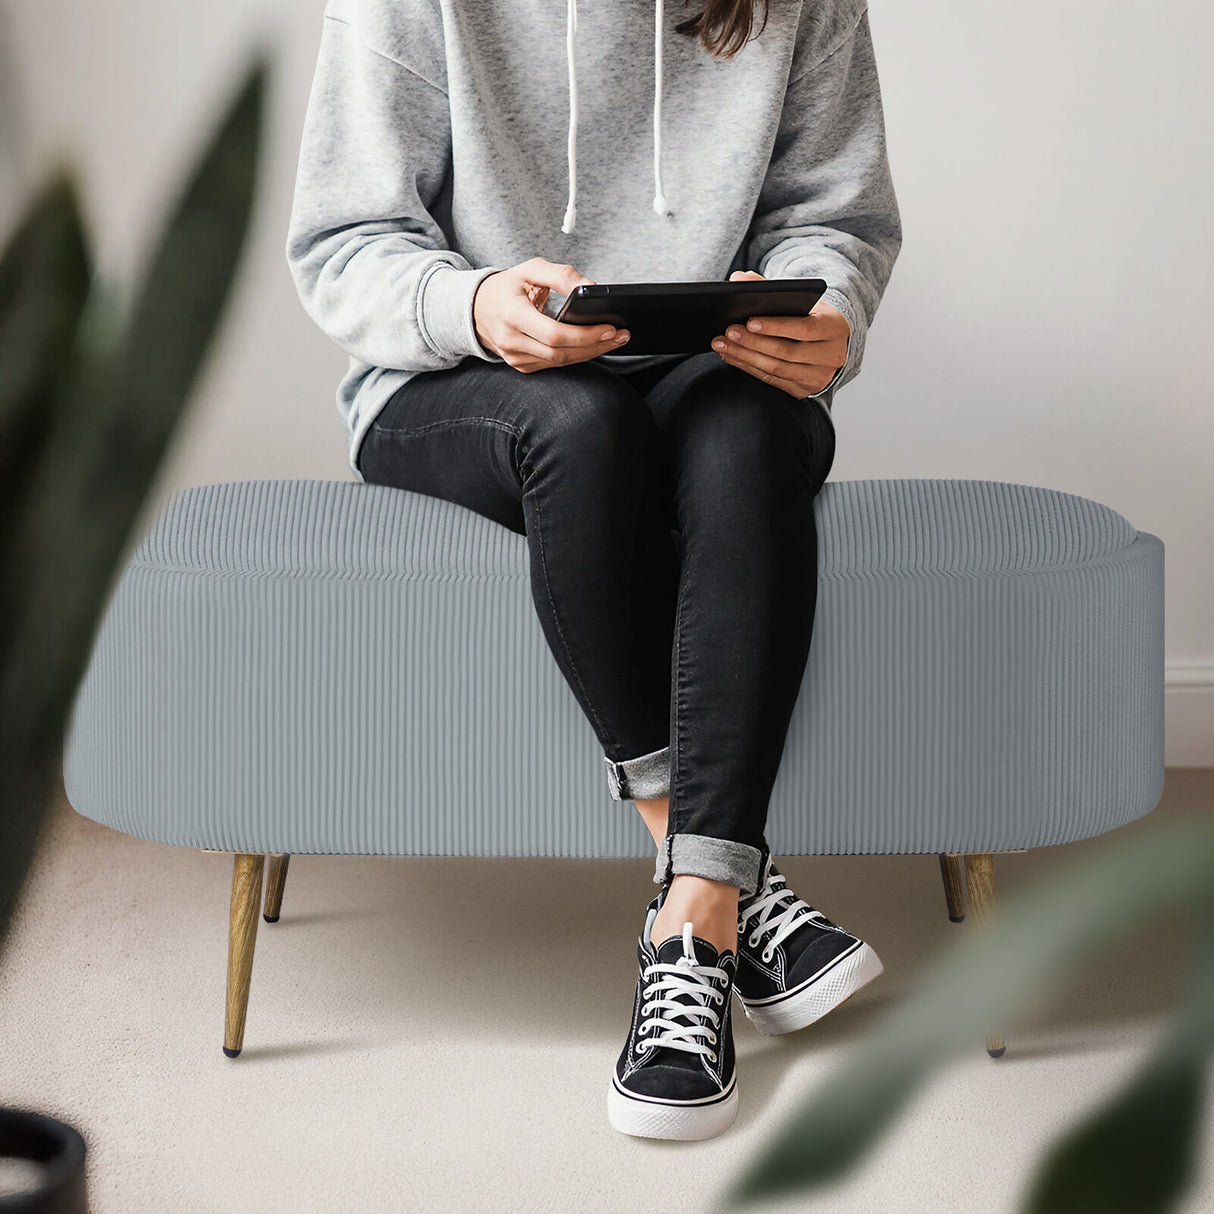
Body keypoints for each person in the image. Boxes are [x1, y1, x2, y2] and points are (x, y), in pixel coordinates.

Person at [286, 0, 902, 1142]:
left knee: (753, 427)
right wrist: (470, 302)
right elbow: (343, 239)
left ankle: (693, 921)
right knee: (578, 422)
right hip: (455, 383)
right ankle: (706, 881)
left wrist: (831, 317)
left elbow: (836, 216)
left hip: (700, 374)